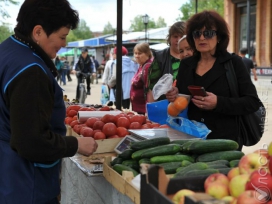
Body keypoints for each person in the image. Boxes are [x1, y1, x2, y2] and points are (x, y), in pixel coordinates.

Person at [0, 0, 98, 203]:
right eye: (62, 37)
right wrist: (75, 144)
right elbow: (31, 142)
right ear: (38, 32)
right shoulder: (30, 71)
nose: (64, 44)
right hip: (26, 185)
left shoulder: (7, 50)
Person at [165, 10, 260, 150]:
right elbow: (183, 98)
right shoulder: (186, 64)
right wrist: (174, 95)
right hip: (191, 139)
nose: (202, 38)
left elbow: (252, 102)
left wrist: (218, 103)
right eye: (197, 34)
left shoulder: (234, 63)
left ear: (219, 37)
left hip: (225, 143)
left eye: (208, 33)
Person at [146, 21, 186, 102]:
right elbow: (151, 88)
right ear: (169, 38)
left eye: (181, 36)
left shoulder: (193, 57)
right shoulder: (160, 57)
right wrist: (151, 109)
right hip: (164, 107)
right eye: (175, 36)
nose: (178, 40)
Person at [130, 43, 153, 114]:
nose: (137, 56)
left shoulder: (147, 67)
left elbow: (149, 89)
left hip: (144, 109)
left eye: (139, 53)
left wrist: (148, 109)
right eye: (135, 53)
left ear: (147, 54)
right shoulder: (141, 65)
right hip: (139, 108)